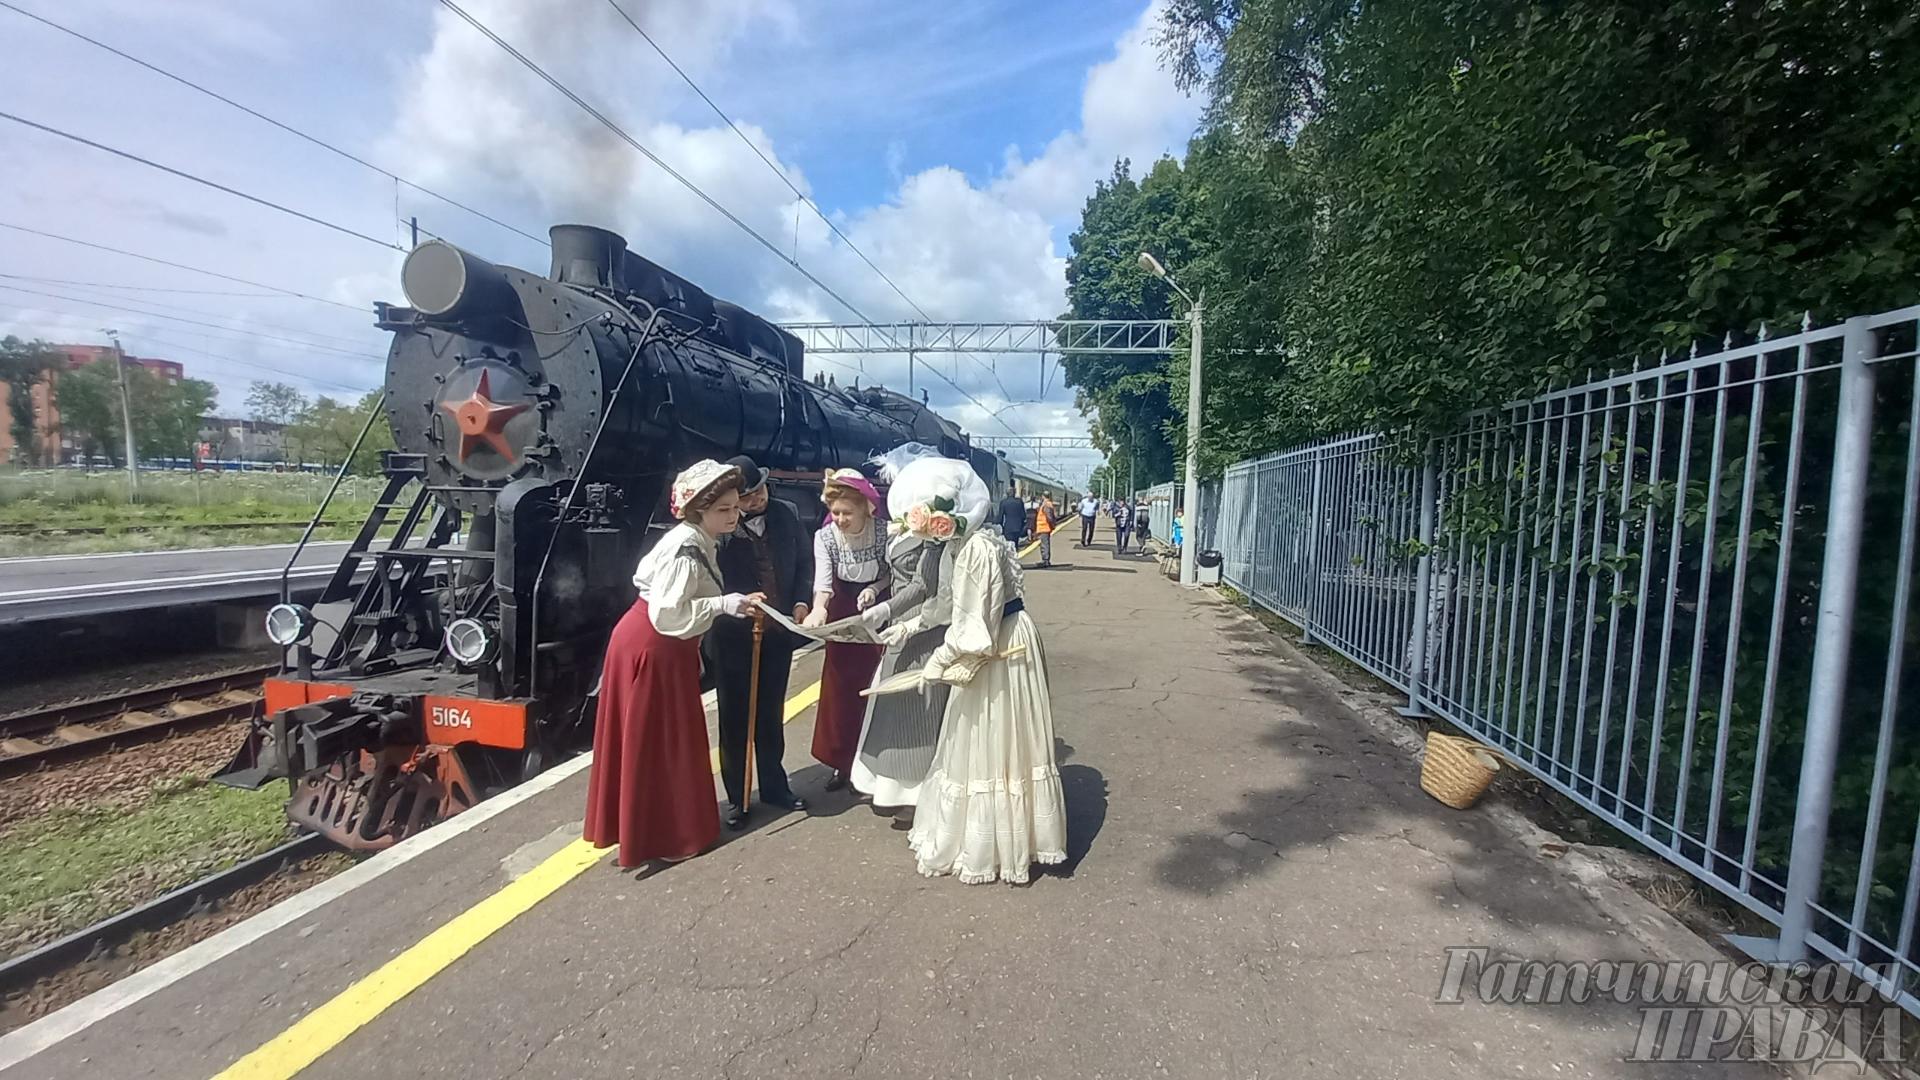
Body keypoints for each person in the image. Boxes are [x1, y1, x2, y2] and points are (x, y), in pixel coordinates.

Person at [879, 466, 1067, 885]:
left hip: (998, 645)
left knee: (991, 735)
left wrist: (937, 662)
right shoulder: (966, 541)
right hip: (996, 639)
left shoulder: (977, 547)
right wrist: (910, 627)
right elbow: (949, 602)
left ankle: (995, 845)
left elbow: (973, 628)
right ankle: (999, 837)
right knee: (992, 739)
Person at [584, 460, 761, 868]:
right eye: (724, 510)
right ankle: (669, 833)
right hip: (655, 647)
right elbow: (668, 613)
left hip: (655, 644)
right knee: (664, 741)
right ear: (699, 510)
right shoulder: (686, 547)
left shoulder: (695, 539)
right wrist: (725, 604)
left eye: (736, 507)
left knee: (656, 741)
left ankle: (650, 828)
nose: (733, 515)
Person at [850, 456, 960, 821]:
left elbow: (923, 585)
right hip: (901, 625)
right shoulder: (904, 530)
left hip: (922, 629)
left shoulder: (932, 537)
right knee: (894, 707)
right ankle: (891, 784)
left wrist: (887, 610)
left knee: (917, 709)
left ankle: (915, 793)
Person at [707, 456, 810, 830]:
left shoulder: (787, 514)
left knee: (770, 714)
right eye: (747, 498)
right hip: (734, 637)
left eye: (759, 492)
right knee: (734, 719)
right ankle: (737, 797)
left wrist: (801, 601)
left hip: (778, 634)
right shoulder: (719, 530)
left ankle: (774, 786)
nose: (756, 502)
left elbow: (803, 562)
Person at [803, 467, 890, 789]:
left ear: (866, 508)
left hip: (880, 609)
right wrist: (819, 610)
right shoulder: (824, 537)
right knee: (841, 690)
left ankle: (878, 760)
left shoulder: (885, 532)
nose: (839, 519)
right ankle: (842, 762)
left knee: (879, 686)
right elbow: (823, 582)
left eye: (846, 512)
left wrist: (877, 587)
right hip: (842, 610)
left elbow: (896, 573)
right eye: (834, 512)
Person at [1034, 494, 1056, 567]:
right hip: (1044, 527)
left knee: (1045, 545)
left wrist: (1052, 525)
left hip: (1045, 527)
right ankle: (1045, 560)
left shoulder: (1046, 504)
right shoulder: (1047, 504)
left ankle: (1045, 561)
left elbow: (1049, 517)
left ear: (1043, 496)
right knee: (1044, 544)